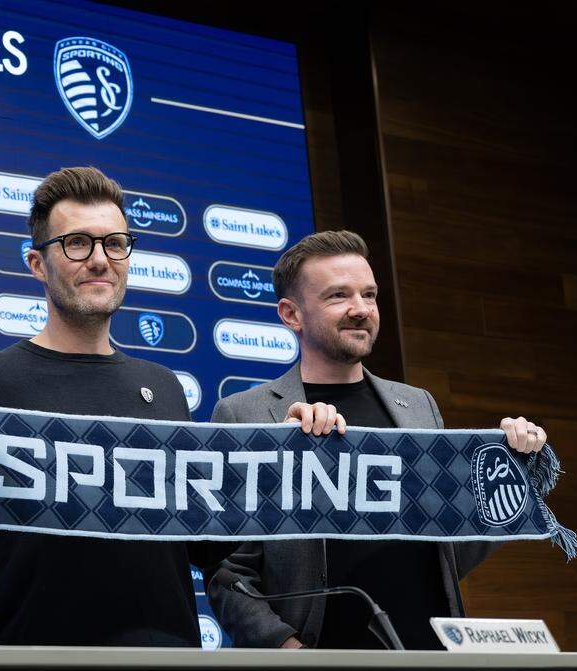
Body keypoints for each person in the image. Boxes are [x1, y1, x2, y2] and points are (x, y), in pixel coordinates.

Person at [0, 167, 230, 646]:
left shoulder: (164, 387)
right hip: (35, 670)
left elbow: (210, 542)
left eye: (115, 243)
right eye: (77, 243)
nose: (100, 260)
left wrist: (295, 448)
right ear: (37, 264)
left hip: (167, 668)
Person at [208, 230, 548, 649]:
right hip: (318, 665)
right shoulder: (244, 414)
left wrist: (513, 469)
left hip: (428, 656)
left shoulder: (418, 406)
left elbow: (447, 554)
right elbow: (228, 571)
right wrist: (286, 647)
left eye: (368, 295)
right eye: (338, 296)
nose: (360, 309)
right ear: (291, 314)